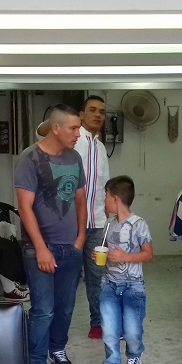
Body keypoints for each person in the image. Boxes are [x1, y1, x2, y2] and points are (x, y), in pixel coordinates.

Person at [15, 104, 87, 364]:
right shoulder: (30, 158)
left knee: (66, 307)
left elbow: (81, 200)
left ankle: (57, 347)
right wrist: (41, 248)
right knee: (43, 310)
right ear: (55, 128)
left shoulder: (75, 157)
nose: (78, 134)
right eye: (73, 128)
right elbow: (25, 208)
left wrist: (80, 238)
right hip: (39, 249)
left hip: (71, 246)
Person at [95, 176, 153, 364]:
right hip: (109, 284)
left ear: (116, 199)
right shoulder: (108, 224)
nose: (104, 200)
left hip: (133, 286)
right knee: (109, 330)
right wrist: (99, 255)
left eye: (106, 196)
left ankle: (134, 354)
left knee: (132, 332)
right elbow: (106, 249)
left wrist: (125, 257)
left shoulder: (139, 224)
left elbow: (148, 254)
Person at [75, 95, 112, 340]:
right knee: (67, 278)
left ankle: (98, 324)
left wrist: (109, 218)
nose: (98, 115)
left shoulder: (101, 148)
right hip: (71, 225)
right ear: (81, 114)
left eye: (102, 112)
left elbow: (104, 186)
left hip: (97, 224)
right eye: (92, 110)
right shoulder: (72, 140)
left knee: (98, 276)